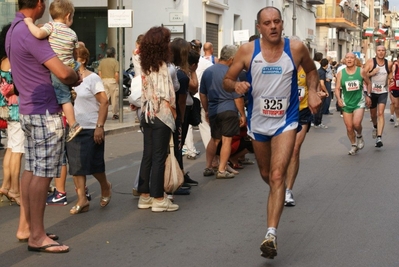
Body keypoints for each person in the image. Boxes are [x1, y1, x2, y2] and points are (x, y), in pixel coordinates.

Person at [223, 7, 321, 259]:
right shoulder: (247, 51)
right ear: (259, 28)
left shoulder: (296, 48)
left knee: (278, 174)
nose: (273, 26)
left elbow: (311, 70)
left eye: (277, 21)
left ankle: (270, 234)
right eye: (267, 23)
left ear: (282, 24)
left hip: (286, 120)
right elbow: (227, 79)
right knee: (267, 174)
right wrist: (237, 84)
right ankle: (277, 191)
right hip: (258, 122)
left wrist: (312, 91)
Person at [6, 0, 81, 253]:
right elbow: (62, 72)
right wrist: (76, 77)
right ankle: (36, 236)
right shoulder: (32, 34)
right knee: (42, 173)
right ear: (38, 3)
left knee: (31, 170)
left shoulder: (14, 29)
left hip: (28, 107)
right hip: (44, 110)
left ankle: (27, 227)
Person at [24, 0, 82, 142]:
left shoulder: (50, 27)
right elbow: (75, 53)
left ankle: (73, 124)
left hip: (58, 68)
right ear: (68, 16)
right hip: (71, 64)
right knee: (69, 85)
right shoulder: (72, 33)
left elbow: (38, 34)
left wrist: (29, 23)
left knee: (64, 99)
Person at [136, 26, 179, 212]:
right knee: (159, 157)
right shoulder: (161, 66)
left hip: (147, 113)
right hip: (161, 114)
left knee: (148, 155)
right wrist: (173, 111)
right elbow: (164, 94)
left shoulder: (144, 64)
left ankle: (144, 195)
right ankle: (159, 199)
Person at [66, 45, 112, 214]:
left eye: (74, 59)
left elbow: (104, 102)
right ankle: (82, 199)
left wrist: (100, 126)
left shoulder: (92, 79)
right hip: (73, 127)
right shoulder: (65, 78)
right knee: (76, 165)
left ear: (83, 60)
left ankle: (105, 186)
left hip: (92, 126)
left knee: (95, 165)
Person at [200, 45, 244, 179]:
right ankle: (221, 169)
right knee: (226, 140)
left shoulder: (208, 71)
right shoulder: (232, 73)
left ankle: (208, 166)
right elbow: (237, 97)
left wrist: (207, 109)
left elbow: (202, 94)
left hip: (214, 110)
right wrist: (242, 114)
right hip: (228, 109)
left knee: (214, 139)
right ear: (231, 59)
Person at [0, 23, 24, 206]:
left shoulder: (3, 60)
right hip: (17, 109)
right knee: (17, 150)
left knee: (10, 147)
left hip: (5, 109)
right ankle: (15, 189)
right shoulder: (15, 60)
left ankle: (6, 185)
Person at [284, 64, 313, 206]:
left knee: (295, 149)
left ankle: (288, 190)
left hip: (302, 112)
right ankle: (278, 183)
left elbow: (314, 88)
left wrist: (315, 94)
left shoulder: (307, 71)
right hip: (283, 113)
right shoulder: (282, 67)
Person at [335, 52, 369, 155]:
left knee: (356, 123)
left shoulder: (361, 71)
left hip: (359, 101)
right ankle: (354, 145)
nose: (349, 60)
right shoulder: (341, 73)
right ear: (344, 60)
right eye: (347, 58)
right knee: (349, 127)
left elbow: (368, 83)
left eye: (351, 58)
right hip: (346, 103)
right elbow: (337, 88)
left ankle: (359, 135)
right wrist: (338, 98)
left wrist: (368, 95)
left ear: (355, 60)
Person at [362, 45, 393, 148]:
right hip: (372, 91)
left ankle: (379, 138)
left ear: (385, 52)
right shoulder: (370, 62)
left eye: (383, 50)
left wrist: (391, 79)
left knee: (381, 113)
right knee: (373, 115)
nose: (381, 52)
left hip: (383, 91)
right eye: (379, 50)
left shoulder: (389, 64)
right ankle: (375, 126)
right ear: (376, 51)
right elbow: (363, 75)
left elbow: (390, 75)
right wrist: (371, 73)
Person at [98, 47, 120, 120]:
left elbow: (99, 73)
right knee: (114, 99)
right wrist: (117, 82)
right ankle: (115, 114)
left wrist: (101, 81)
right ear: (114, 54)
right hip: (112, 81)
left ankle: (102, 114)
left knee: (104, 99)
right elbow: (116, 74)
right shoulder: (115, 62)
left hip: (104, 81)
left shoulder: (102, 61)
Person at [313, 58, 329, 129]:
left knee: (316, 108)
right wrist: (326, 91)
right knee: (320, 108)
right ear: (326, 65)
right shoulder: (322, 72)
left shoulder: (318, 71)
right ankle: (318, 123)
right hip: (320, 91)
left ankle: (314, 122)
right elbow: (322, 83)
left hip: (316, 90)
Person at [389, 58, 399, 127]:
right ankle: (398, 119)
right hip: (395, 88)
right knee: (396, 105)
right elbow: (389, 76)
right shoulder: (395, 66)